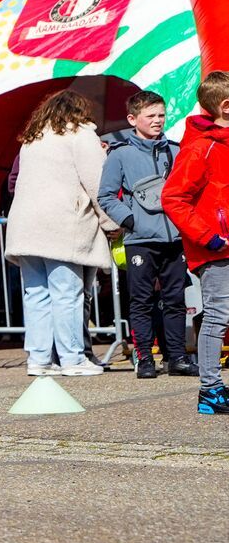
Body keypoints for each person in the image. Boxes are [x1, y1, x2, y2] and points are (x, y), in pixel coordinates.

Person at [4, 90, 119, 377]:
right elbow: (97, 184)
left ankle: (39, 359)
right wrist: (111, 223)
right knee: (67, 294)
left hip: (26, 228)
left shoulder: (32, 139)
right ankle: (72, 358)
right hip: (63, 225)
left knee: (36, 295)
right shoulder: (81, 135)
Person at [98, 90, 194, 378]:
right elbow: (105, 195)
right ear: (132, 119)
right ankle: (145, 358)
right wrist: (130, 220)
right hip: (140, 240)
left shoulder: (175, 151)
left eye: (161, 115)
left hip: (174, 238)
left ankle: (176, 357)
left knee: (175, 300)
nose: (157, 120)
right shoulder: (120, 154)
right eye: (150, 115)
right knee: (141, 301)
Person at [159, 71, 229, 414]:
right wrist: (209, 237)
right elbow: (173, 197)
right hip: (216, 249)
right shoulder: (201, 147)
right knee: (218, 316)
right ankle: (210, 390)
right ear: (226, 106)